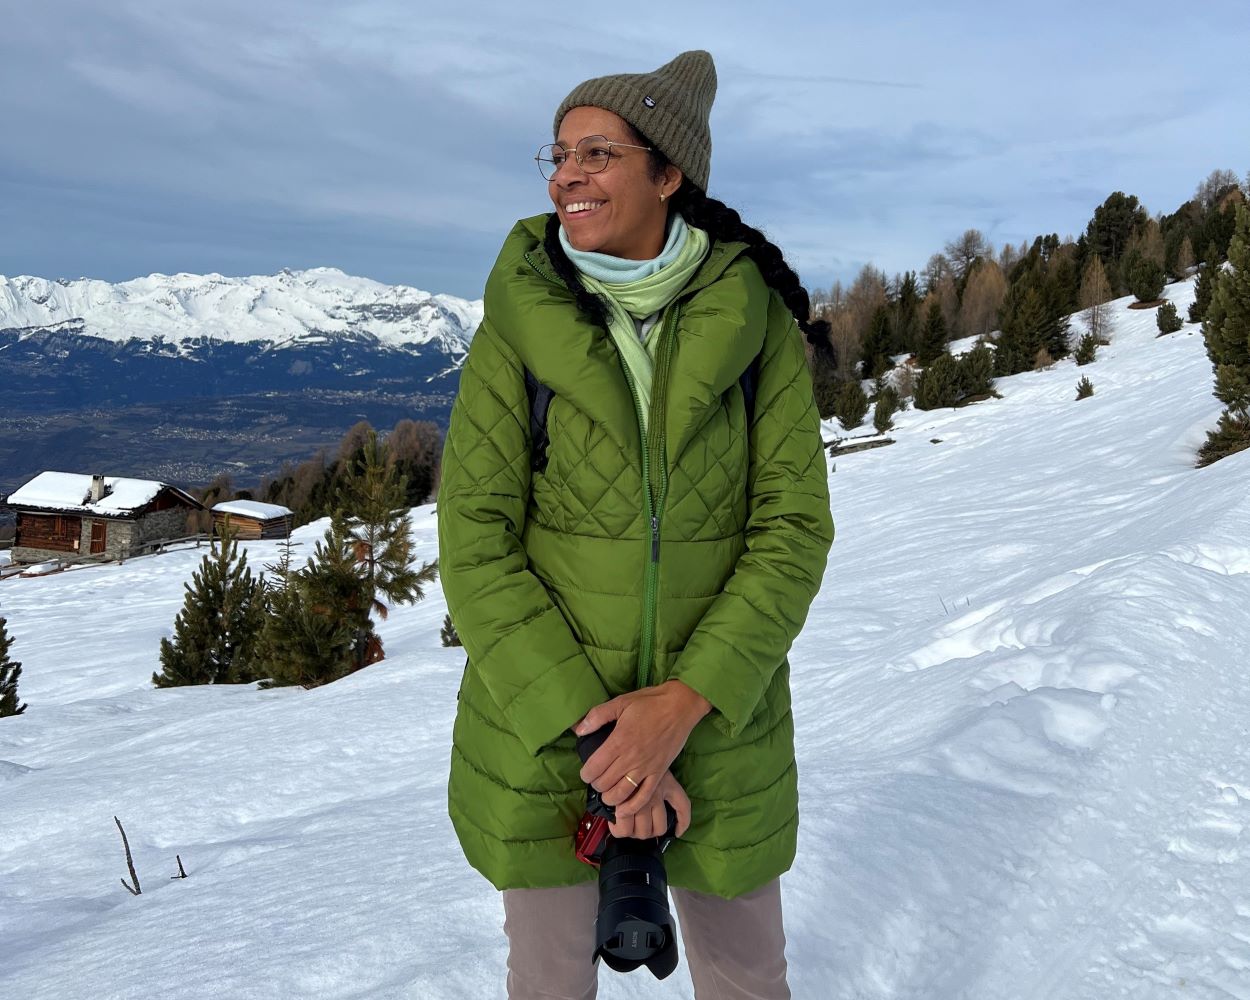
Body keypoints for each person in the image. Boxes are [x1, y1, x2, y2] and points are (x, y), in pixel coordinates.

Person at [437, 49, 835, 1000]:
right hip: (545, 732)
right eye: (560, 154)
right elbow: (476, 541)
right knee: (549, 983)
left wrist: (681, 704)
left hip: (719, 731)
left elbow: (792, 530)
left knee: (746, 981)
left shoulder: (757, 327)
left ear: (669, 174)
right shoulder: (517, 324)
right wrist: (612, 751)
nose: (566, 175)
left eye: (598, 153)